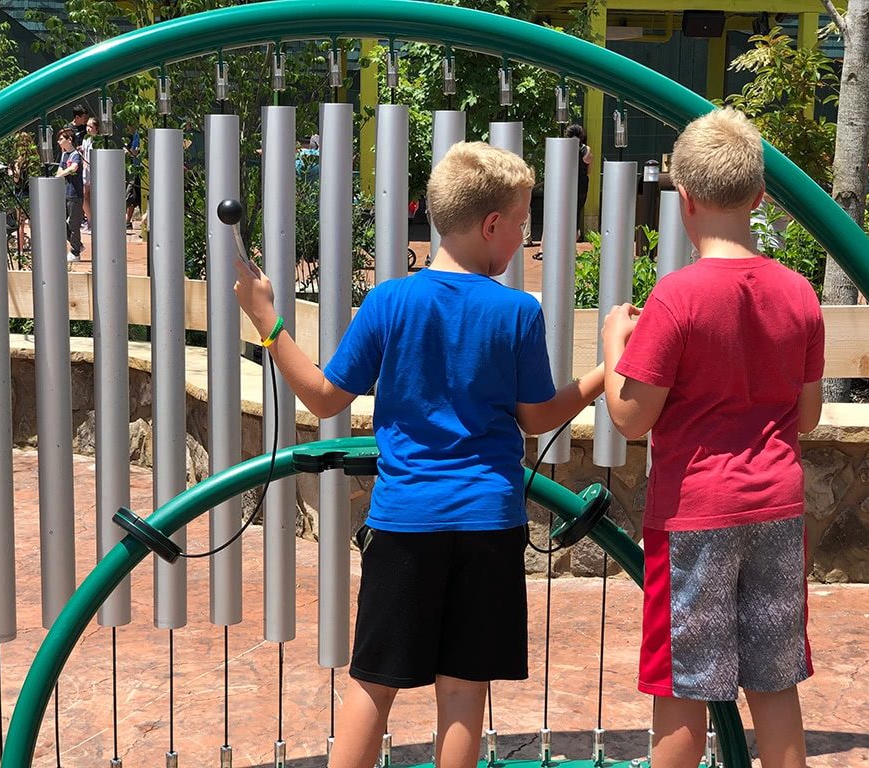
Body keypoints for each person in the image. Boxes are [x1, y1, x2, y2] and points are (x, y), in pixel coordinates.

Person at [234, 141, 605, 768]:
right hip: (489, 521)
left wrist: (267, 321)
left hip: (405, 520)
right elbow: (537, 417)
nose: (523, 237)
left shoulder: (388, 302)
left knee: (373, 683)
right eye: (522, 224)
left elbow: (324, 399)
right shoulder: (518, 311)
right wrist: (603, 373)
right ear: (492, 225)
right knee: (462, 689)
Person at [601, 108, 824, 768]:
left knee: (682, 693)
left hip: (695, 515)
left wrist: (615, 344)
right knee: (774, 684)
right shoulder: (799, 292)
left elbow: (631, 417)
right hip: (778, 509)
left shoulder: (675, 298)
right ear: (759, 196)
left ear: (683, 200)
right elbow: (806, 416)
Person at [55, 128, 84, 262]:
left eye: (61, 139)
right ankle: (77, 244)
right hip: (65, 193)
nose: (59, 142)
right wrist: (60, 173)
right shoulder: (64, 155)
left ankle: (75, 251)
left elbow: (73, 168)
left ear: (69, 140)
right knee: (61, 221)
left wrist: (61, 173)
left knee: (74, 223)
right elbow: (60, 170)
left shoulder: (75, 155)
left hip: (75, 194)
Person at [9, 131, 38, 253]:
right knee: (34, 222)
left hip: (21, 193)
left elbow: (16, 179)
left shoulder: (19, 161)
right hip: (33, 192)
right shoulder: (34, 159)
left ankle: (20, 250)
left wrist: (11, 171)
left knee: (20, 223)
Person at [564, 124, 591, 241]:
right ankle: (574, 236)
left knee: (566, 211)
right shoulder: (586, 150)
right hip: (582, 184)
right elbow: (589, 170)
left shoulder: (564, 149)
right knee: (577, 211)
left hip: (567, 184)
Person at [81, 117, 99, 232]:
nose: (88, 128)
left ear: (97, 129)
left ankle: (94, 222)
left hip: (95, 171)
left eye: (91, 126)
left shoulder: (98, 141)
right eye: (87, 126)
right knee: (84, 195)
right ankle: (90, 220)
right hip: (86, 171)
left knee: (94, 196)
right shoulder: (85, 139)